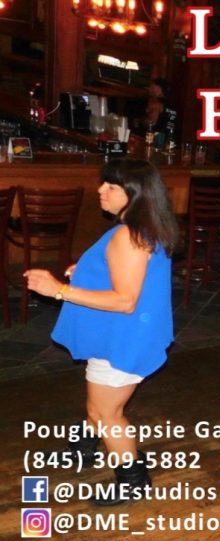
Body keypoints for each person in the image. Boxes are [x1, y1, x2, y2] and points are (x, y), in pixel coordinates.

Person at [24, 159, 178, 506]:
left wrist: (58, 290)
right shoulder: (141, 227)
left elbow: (125, 300)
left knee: (105, 414)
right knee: (99, 404)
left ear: (134, 194)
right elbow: (130, 273)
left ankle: (133, 480)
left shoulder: (128, 236)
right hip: (128, 334)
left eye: (110, 186)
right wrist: (87, 271)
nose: (100, 191)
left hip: (123, 340)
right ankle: (82, 448)